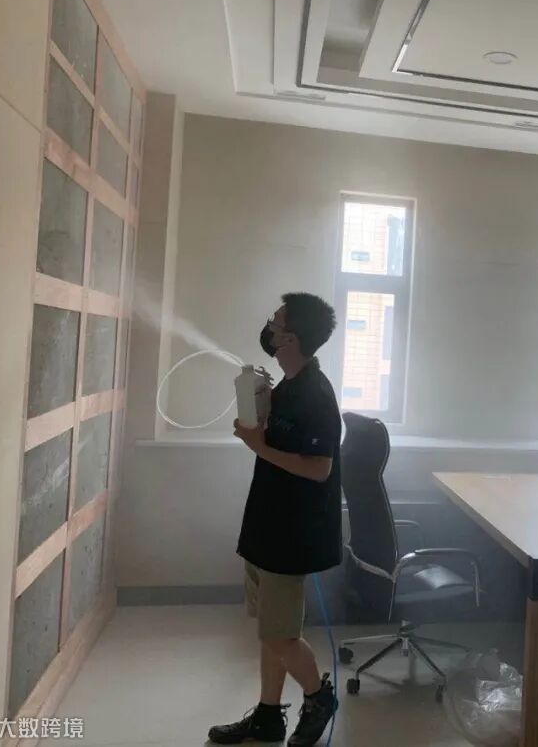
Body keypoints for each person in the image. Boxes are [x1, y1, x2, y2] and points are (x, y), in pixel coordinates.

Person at [208, 293, 342, 747]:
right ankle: (267, 716)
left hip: (292, 534)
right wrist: (258, 411)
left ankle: (318, 697)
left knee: (281, 635)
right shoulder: (287, 385)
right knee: (271, 631)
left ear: (291, 339)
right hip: (266, 523)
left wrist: (257, 445)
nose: (269, 327)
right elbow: (277, 442)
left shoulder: (316, 394)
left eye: (277, 323)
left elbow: (319, 467)